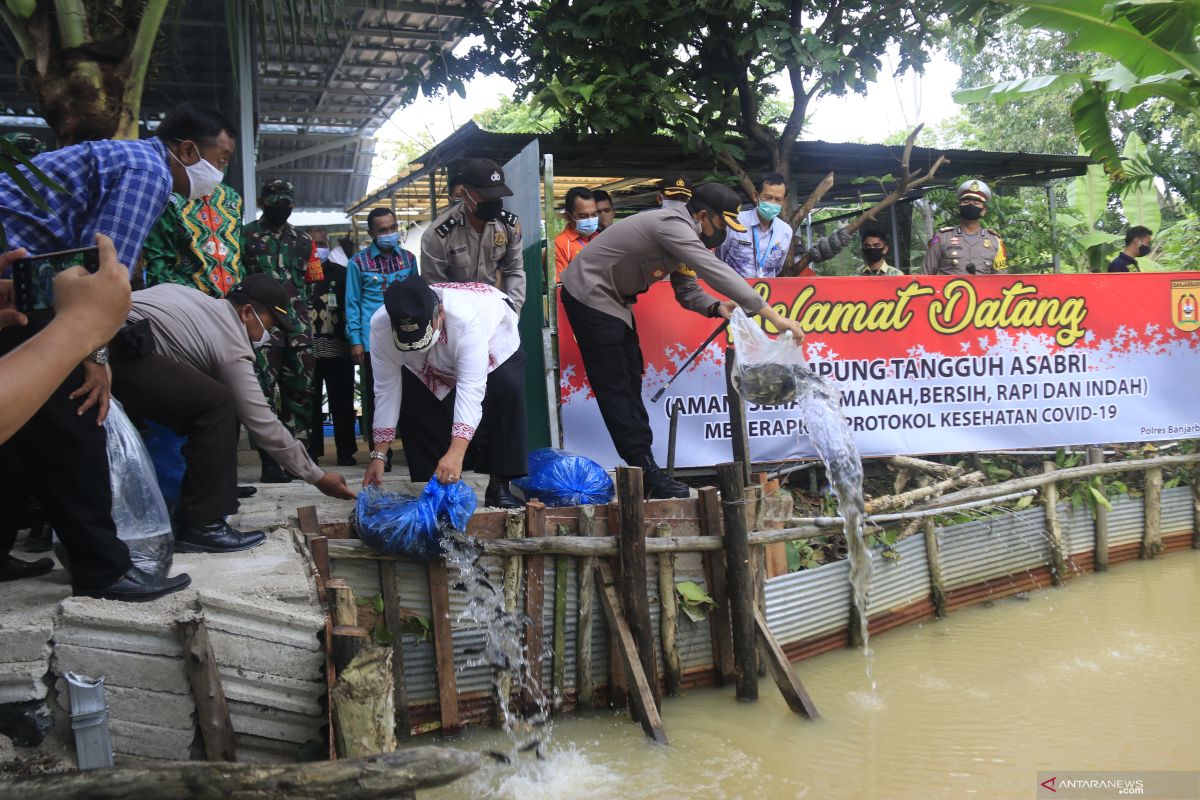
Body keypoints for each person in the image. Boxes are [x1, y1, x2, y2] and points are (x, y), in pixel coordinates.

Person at [0, 102, 238, 601]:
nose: (221, 173)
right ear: (188, 149)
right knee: (77, 413)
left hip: (20, 271)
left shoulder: (127, 160)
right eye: (222, 159)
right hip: (18, 269)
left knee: (23, 416)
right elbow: (104, 275)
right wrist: (95, 359)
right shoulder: (148, 172)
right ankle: (103, 570)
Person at [559, 183, 806, 499]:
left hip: (613, 300)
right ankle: (645, 470)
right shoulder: (673, 226)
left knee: (631, 374)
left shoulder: (687, 235)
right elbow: (713, 269)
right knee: (615, 382)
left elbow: (688, 290)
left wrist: (717, 307)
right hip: (588, 293)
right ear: (704, 215)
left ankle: (645, 468)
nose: (723, 234)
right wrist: (772, 316)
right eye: (721, 225)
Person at [112, 274, 355, 553]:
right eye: (270, 325)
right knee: (219, 404)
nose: (269, 335)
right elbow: (262, 424)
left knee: (204, 399)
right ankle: (204, 525)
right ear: (248, 312)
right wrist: (316, 476)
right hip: (115, 347)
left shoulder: (195, 300)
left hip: (102, 336)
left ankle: (196, 499)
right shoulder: (230, 341)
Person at [363, 275, 527, 509]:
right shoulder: (380, 325)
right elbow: (386, 389)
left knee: (505, 389)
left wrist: (457, 452)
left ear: (439, 312)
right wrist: (379, 455)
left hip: (492, 337)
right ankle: (437, 484)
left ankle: (499, 484)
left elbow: (471, 389)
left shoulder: (466, 318)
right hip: (430, 358)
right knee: (418, 398)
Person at [242, 179, 321, 483]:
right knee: (261, 393)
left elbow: (312, 283)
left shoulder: (303, 241)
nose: (281, 208)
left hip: (297, 329)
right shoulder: (246, 236)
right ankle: (269, 460)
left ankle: (296, 457)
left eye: (286, 204)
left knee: (301, 392)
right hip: (261, 329)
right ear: (263, 202)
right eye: (275, 203)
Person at [346, 208, 418, 467]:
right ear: (372, 233)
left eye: (392, 227)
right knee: (378, 396)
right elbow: (352, 303)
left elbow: (417, 296)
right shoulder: (357, 263)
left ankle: (413, 450)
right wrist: (355, 339)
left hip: (406, 337)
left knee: (411, 394)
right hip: (372, 340)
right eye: (382, 230)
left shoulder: (409, 260)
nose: (389, 234)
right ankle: (380, 454)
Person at [421, 158, 526, 311]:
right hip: (456, 313)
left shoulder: (508, 226)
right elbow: (436, 289)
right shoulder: (438, 235)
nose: (492, 202)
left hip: (496, 310)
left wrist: (512, 311)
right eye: (485, 196)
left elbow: (514, 271)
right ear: (464, 194)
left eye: (497, 196)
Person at [142, 177, 243, 297]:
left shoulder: (231, 197)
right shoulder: (171, 196)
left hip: (232, 303)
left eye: (226, 159)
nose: (223, 163)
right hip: (187, 302)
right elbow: (158, 260)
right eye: (220, 159)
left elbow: (237, 253)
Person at [307, 230, 358, 466]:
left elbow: (352, 306)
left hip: (339, 350)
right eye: (314, 244)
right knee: (310, 403)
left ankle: (345, 452)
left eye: (322, 243)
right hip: (307, 352)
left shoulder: (343, 274)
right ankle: (311, 451)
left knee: (343, 404)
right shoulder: (300, 274)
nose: (318, 248)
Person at [922, 179, 1007, 276]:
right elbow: (926, 275)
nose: (970, 205)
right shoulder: (941, 238)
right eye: (966, 201)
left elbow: (1001, 279)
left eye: (976, 203)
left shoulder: (995, 241)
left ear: (983, 211)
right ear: (959, 208)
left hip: (983, 291)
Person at [718, 172, 793, 278]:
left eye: (778, 199)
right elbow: (719, 256)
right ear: (756, 196)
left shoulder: (785, 231)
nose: (772, 203)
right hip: (731, 291)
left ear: (784, 201)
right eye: (768, 197)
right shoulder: (735, 222)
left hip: (765, 292)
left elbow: (778, 267)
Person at [554, 186, 600, 279]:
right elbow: (560, 285)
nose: (590, 220)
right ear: (568, 216)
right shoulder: (560, 244)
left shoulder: (600, 238)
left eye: (594, 214)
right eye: (583, 216)